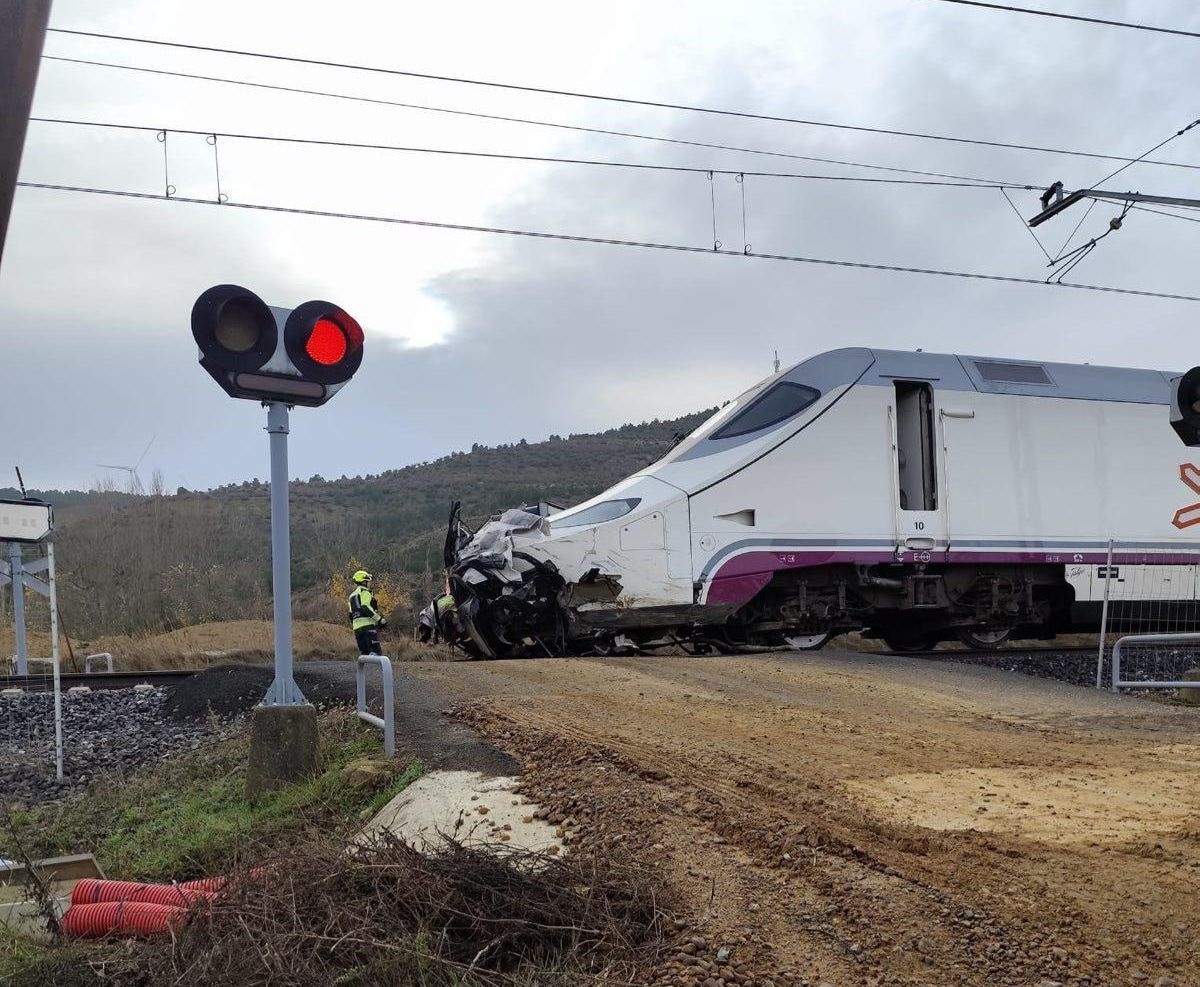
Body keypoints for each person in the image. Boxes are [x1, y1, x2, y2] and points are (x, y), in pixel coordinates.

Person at [347, 569, 386, 655]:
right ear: (364, 582)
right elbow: (366, 607)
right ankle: (379, 669)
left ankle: (364, 669)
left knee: (364, 655)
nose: (369, 583)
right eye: (368, 581)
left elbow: (350, 614)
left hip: (357, 629)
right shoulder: (365, 592)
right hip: (368, 627)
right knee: (376, 653)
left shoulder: (352, 596)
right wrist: (380, 620)